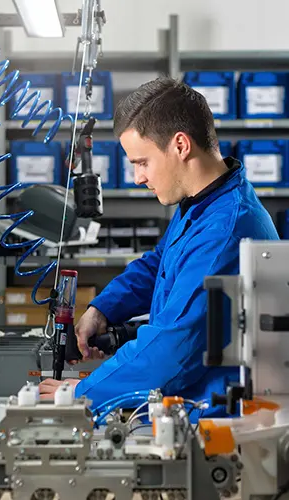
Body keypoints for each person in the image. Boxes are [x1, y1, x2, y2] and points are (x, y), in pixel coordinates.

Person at [38, 77, 279, 413]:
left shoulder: (225, 229)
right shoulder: (203, 203)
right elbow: (158, 264)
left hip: (214, 416)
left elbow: (173, 346)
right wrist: (103, 308)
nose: (138, 177)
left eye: (142, 162)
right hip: (185, 399)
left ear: (180, 145)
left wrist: (87, 390)